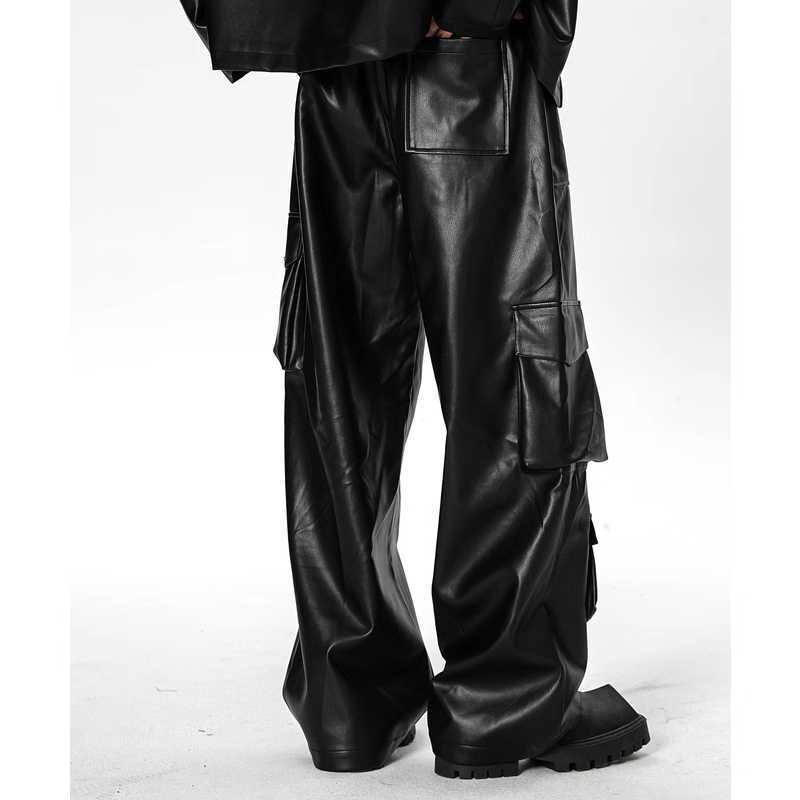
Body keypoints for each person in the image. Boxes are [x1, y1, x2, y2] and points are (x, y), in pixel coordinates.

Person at [178, 0, 650, 779]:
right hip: (468, 70)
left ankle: (352, 700)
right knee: (516, 376)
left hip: (337, 77)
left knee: (339, 382)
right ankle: (504, 702)